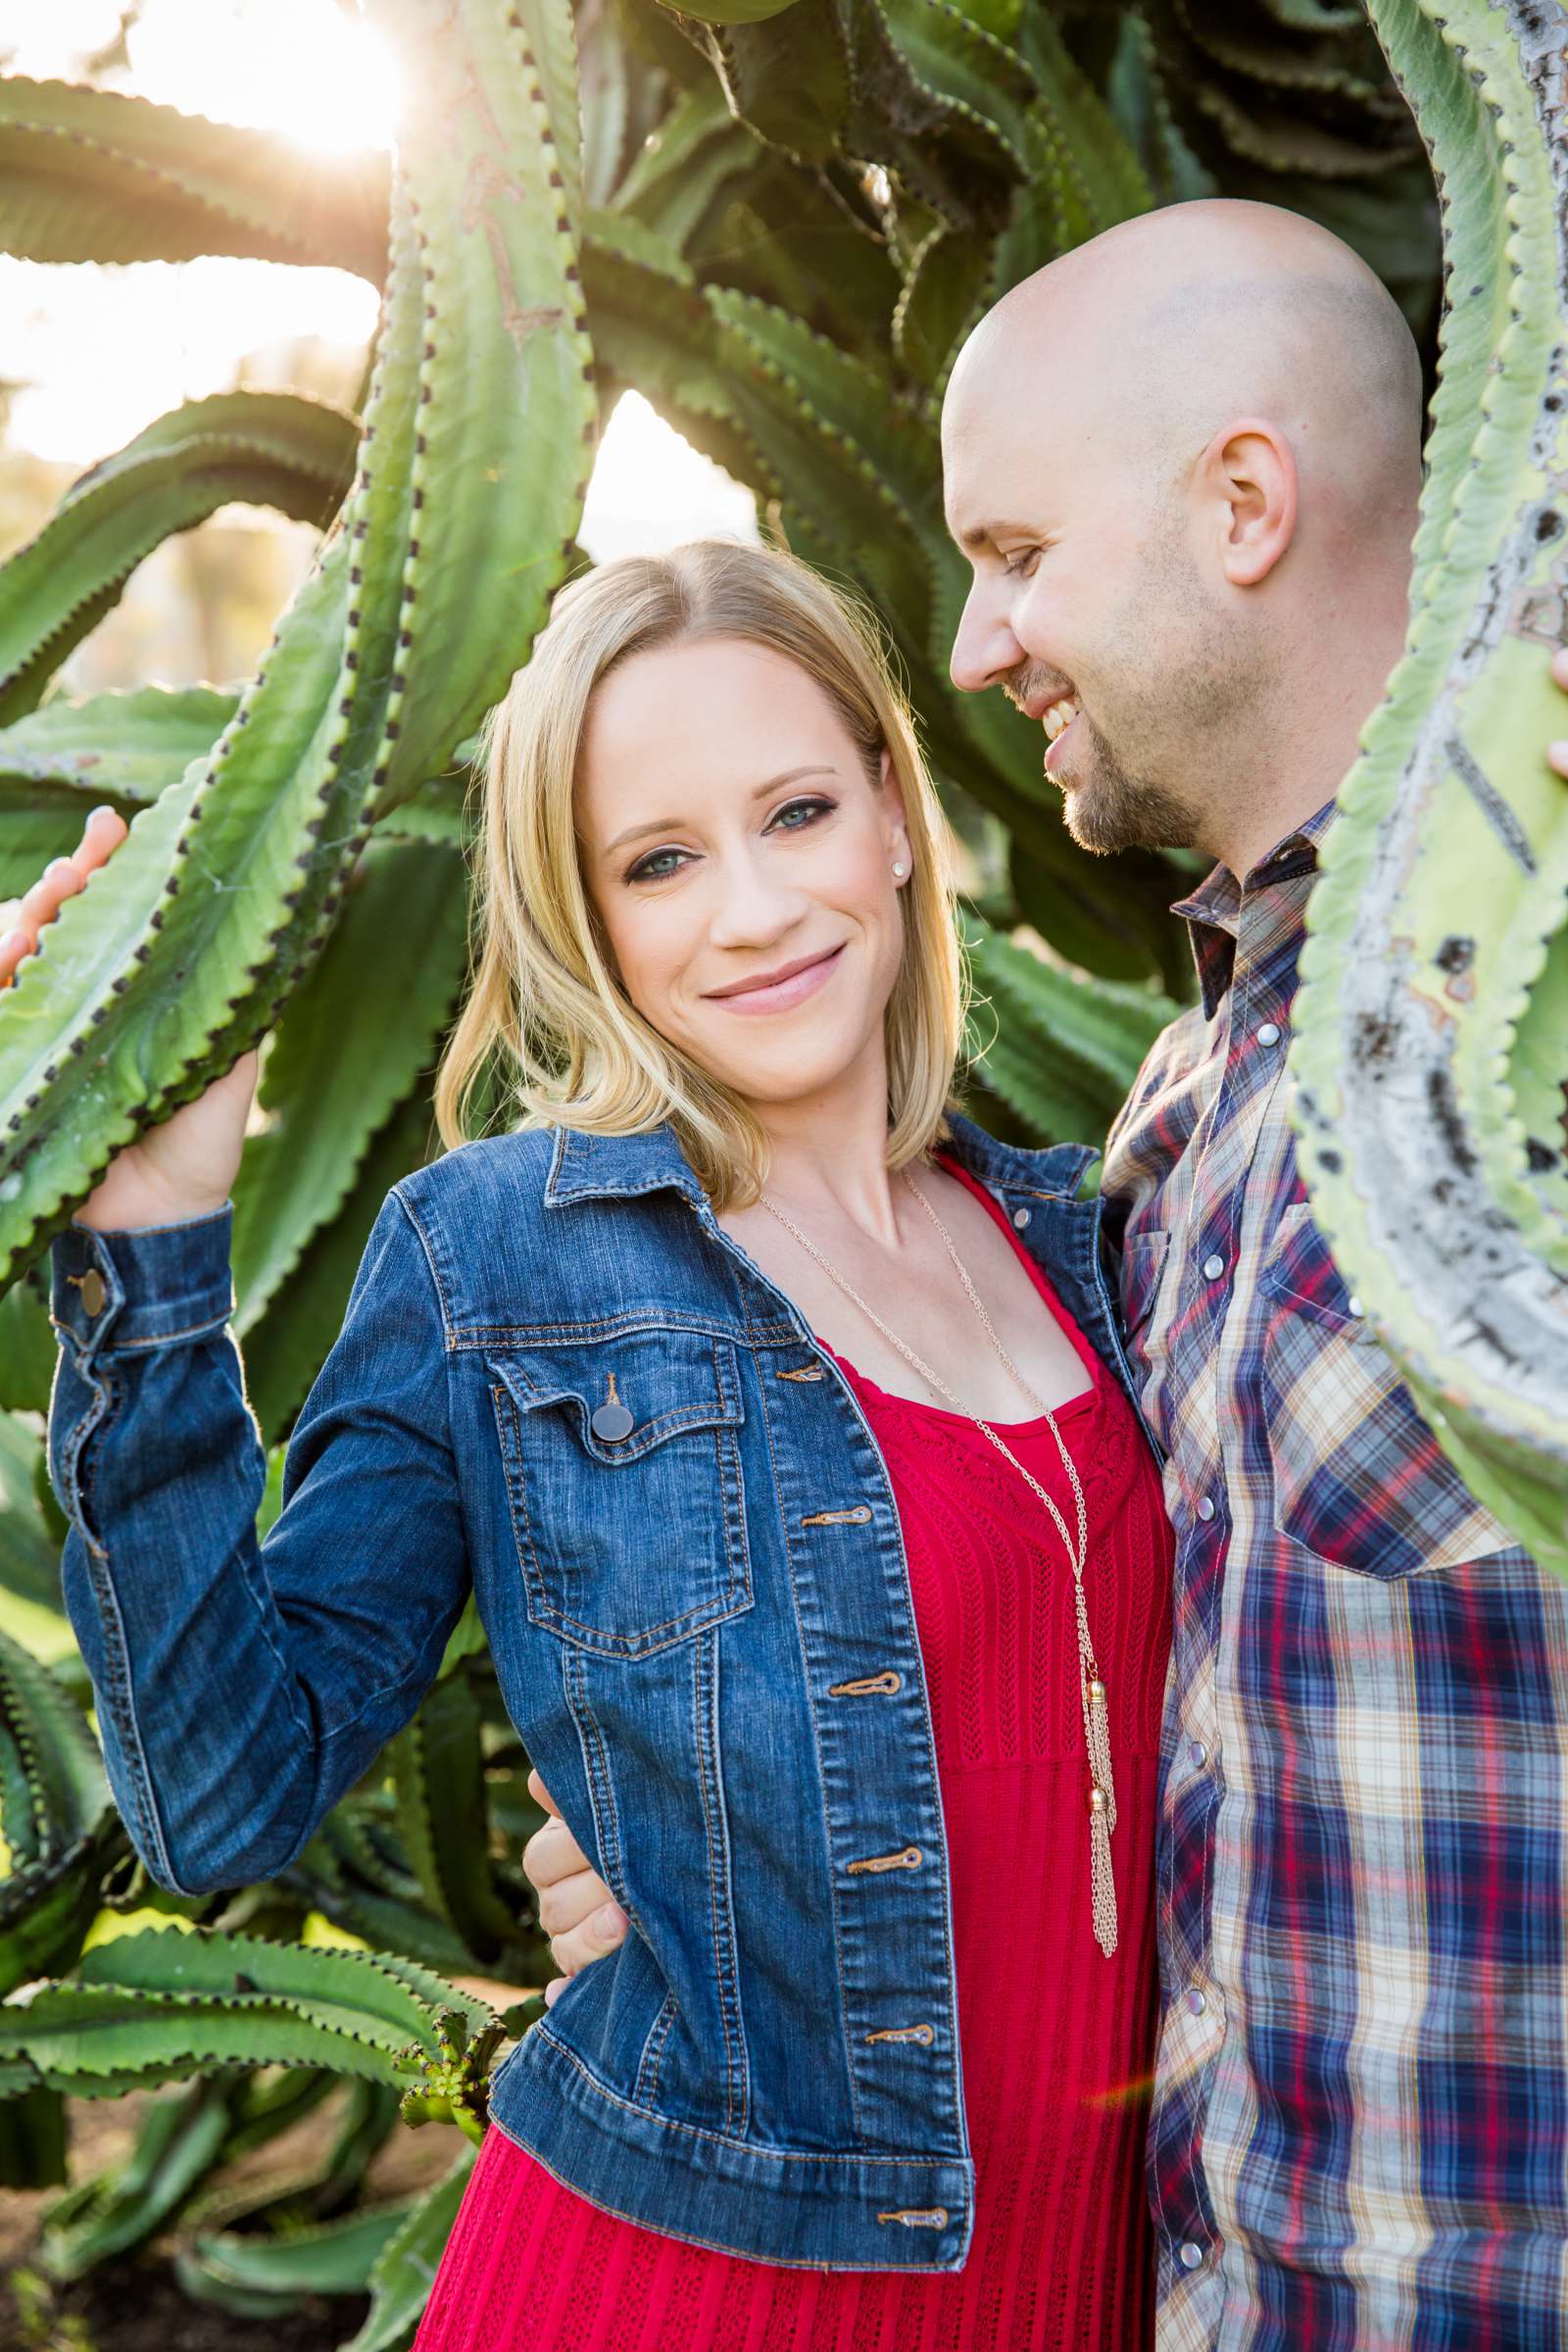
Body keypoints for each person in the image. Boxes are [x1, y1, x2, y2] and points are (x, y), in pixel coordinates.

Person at [521, 200, 1568, 2348]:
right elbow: (1102, 1692)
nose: (976, 648)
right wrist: (727, 1844)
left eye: (1011, 553)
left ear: (1242, 504)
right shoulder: (1187, 1108)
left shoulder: (1525, 1039)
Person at [16, 540, 1177, 2349]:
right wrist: (157, 1249)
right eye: (659, 860)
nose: (751, 910)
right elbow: (229, 1792)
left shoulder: (1092, 1240)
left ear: (892, 810)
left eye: (794, 810)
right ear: (587, 916)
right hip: (687, 2288)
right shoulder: (499, 1259)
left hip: (1105, 2283)